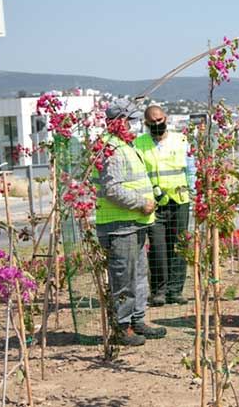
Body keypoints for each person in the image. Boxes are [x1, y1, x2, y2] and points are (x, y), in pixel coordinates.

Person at [94, 104, 167, 346]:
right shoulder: (111, 148)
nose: (130, 126)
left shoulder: (125, 145)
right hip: (118, 224)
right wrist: (140, 203)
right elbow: (112, 189)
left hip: (133, 223)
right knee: (123, 277)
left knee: (138, 274)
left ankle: (137, 319)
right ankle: (121, 326)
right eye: (127, 121)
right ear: (117, 122)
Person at [134, 104, 195, 307]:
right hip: (154, 205)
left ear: (166, 118)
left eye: (160, 120)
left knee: (179, 246)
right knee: (158, 248)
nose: (157, 124)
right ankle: (159, 291)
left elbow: (191, 169)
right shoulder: (139, 144)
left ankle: (175, 290)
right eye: (152, 122)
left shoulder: (181, 140)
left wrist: (193, 192)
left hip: (179, 201)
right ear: (146, 123)